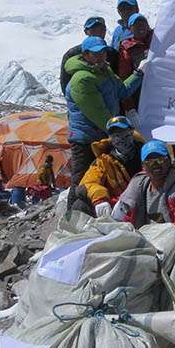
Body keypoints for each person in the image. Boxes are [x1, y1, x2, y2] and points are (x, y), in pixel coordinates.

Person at [64, 36, 144, 186]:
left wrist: (138, 74)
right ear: (86, 55)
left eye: (103, 52)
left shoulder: (105, 71)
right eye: (95, 53)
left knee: (103, 177)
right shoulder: (82, 79)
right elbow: (98, 114)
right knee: (82, 179)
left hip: (103, 134)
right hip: (85, 139)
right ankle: (74, 208)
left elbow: (122, 92)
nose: (100, 56)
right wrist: (120, 133)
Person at [112, 139, 175, 233]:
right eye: (149, 162)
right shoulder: (137, 186)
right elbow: (121, 218)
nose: (156, 165)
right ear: (143, 166)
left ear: (170, 161)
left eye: (160, 160)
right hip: (141, 240)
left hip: (173, 241)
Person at [80, 115, 146, 217]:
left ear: (132, 133)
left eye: (125, 134)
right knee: (80, 204)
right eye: (116, 136)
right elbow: (88, 183)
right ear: (110, 138)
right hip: (117, 206)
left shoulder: (147, 153)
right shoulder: (103, 161)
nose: (122, 140)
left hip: (146, 200)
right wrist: (101, 199)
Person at [59, 17, 118, 94]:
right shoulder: (71, 54)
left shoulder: (112, 53)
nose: (98, 33)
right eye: (93, 30)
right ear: (86, 32)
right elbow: (65, 82)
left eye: (101, 29)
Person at [118, 12, 154, 112]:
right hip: (141, 94)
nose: (140, 26)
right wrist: (129, 108)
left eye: (143, 23)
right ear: (130, 28)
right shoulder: (127, 47)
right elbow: (124, 77)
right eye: (136, 24)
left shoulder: (159, 39)